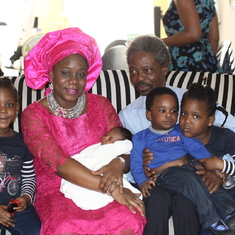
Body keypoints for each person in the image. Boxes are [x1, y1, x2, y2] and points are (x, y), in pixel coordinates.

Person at [21, 27, 146, 235]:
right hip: (58, 190)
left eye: (80, 74)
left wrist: (118, 163)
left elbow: (123, 145)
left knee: (128, 218)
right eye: (65, 73)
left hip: (107, 180)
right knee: (65, 228)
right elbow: (60, 165)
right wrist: (113, 190)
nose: (74, 81)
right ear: (51, 73)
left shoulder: (102, 105)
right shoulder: (34, 115)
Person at [118, 34, 235, 235]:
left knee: (186, 201)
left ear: (164, 68)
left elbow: (226, 131)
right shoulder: (127, 115)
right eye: (133, 71)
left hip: (192, 174)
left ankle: (223, 216)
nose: (139, 78)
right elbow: (128, 157)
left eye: (147, 70)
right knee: (160, 198)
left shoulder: (190, 99)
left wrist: (217, 170)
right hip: (160, 182)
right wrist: (142, 169)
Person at [130, 86, 235, 234]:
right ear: (149, 115)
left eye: (173, 111)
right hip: (163, 175)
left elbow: (197, 149)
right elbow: (135, 163)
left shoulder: (179, 132)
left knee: (201, 181)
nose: (169, 115)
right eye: (162, 111)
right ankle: (211, 219)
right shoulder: (140, 137)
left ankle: (229, 211)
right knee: (190, 179)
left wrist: (214, 167)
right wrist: (142, 181)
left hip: (184, 172)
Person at [60, 126, 142, 210]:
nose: (105, 137)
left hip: (106, 173)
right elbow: (85, 158)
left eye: (110, 139)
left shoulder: (117, 147)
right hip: (82, 174)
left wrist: (117, 162)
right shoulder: (97, 147)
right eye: (106, 135)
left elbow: (127, 145)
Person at [0, 77, 41, 235]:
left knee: (35, 230)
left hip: (15, 208)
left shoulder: (23, 142)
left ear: (16, 109)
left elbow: (29, 177)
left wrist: (26, 197)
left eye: (8, 105)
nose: (3, 110)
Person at [162, 0, 222, 73]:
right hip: (208, 62)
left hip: (185, 64)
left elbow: (193, 34)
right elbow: (214, 39)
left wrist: (157, 43)